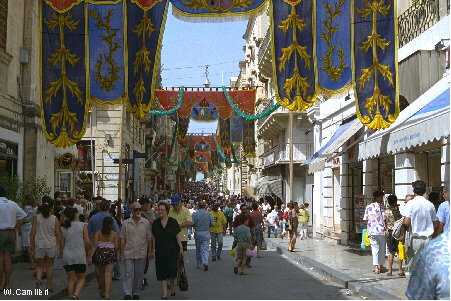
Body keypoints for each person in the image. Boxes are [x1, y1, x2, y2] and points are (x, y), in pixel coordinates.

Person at [403, 180, 438, 281]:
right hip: (428, 239)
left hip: (416, 239)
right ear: (424, 191)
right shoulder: (430, 205)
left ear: (413, 190)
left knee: (411, 266)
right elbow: (435, 224)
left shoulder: (410, 204)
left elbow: (406, 222)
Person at [150, 201, 184, 300]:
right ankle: (165, 292)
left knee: (171, 270)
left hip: (172, 250)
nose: (160, 212)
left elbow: (177, 236)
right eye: (158, 210)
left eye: (162, 210)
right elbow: (153, 238)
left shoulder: (173, 222)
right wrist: (152, 250)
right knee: (162, 271)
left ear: (166, 211)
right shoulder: (155, 223)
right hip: (160, 250)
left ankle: (172, 286)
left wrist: (181, 248)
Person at [120, 202, 152, 300]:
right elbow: (122, 238)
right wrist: (121, 252)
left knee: (139, 274)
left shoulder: (145, 223)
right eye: (136, 209)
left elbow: (149, 237)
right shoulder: (126, 223)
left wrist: (150, 250)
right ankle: (128, 293)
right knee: (128, 273)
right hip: (128, 251)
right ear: (132, 211)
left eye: (139, 209)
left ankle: (136, 292)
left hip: (141, 251)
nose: (138, 211)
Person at [29, 196, 62, 292]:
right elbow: (57, 233)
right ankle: (48, 286)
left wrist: (31, 244)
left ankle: (38, 279)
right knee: (49, 266)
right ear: (52, 207)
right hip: (51, 244)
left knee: (39, 265)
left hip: (39, 244)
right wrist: (61, 244)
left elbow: (33, 232)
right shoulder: (54, 219)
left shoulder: (37, 218)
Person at [405, 231, 450, 300]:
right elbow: (437, 224)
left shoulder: (434, 249)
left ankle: (409, 282)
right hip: (428, 238)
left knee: (412, 264)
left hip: (418, 239)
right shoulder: (435, 248)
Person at [87, 200, 121, 286]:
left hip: (97, 246)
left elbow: (88, 233)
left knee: (97, 268)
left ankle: (100, 284)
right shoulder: (111, 219)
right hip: (110, 247)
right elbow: (117, 232)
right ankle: (106, 288)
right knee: (108, 272)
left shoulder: (93, 218)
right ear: (109, 208)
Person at [0, 185, 27, 291]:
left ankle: (0, 284)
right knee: (8, 259)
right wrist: (16, 227)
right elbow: (23, 216)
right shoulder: (12, 204)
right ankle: (7, 284)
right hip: (10, 232)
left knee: (0, 258)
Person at [60, 208, 90, 300]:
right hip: (79, 255)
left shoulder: (64, 228)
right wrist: (86, 251)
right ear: (75, 215)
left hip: (67, 255)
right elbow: (88, 242)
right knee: (81, 278)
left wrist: (61, 255)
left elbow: (62, 244)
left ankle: (70, 297)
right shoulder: (82, 226)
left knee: (71, 279)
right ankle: (75, 295)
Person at [88, 216, 119, 300]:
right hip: (110, 254)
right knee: (108, 275)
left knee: (102, 274)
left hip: (100, 254)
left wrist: (90, 257)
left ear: (102, 224)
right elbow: (116, 247)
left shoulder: (98, 233)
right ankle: (107, 294)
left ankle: (103, 290)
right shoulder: (114, 234)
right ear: (112, 225)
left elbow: (94, 245)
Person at [168, 195, 192, 280]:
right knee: (171, 259)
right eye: (173, 204)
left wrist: (178, 226)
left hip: (182, 237)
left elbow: (189, 222)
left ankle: (179, 276)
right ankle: (171, 278)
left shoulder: (185, 211)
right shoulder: (170, 211)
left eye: (176, 204)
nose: (175, 206)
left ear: (180, 202)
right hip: (171, 238)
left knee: (180, 258)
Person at [363, 191, 386, 274]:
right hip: (380, 230)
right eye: (380, 197)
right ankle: (381, 265)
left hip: (372, 231)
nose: (382, 199)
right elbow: (384, 218)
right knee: (382, 248)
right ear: (376, 197)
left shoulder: (368, 207)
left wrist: (371, 224)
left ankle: (376, 267)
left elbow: (365, 219)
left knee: (375, 249)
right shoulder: (381, 207)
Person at [192, 201, 215, 271]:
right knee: (205, 248)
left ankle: (199, 263)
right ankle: (205, 262)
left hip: (198, 232)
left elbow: (192, 223)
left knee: (198, 248)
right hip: (206, 232)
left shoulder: (195, 214)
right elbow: (213, 224)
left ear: (198, 206)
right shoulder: (209, 214)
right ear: (205, 206)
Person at [385, 195, 404, 277]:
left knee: (391, 252)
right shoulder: (396, 211)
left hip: (390, 232)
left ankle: (390, 270)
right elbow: (400, 219)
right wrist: (398, 209)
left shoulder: (386, 211)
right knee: (399, 251)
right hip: (397, 232)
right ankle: (400, 270)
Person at [138, 197, 154, 287]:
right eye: (147, 204)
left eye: (149, 204)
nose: (149, 206)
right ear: (142, 205)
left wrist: (145, 213)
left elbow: (153, 222)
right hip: (138, 239)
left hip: (147, 240)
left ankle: (143, 276)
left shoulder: (150, 213)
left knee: (146, 260)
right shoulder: (137, 212)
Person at [21, 194, 38, 270]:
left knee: (29, 246)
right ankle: (37, 262)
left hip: (26, 226)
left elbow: (21, 217)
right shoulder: (37, 208)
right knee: (33, 245)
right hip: (34, 226)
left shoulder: (25, 208)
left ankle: (32, 264)